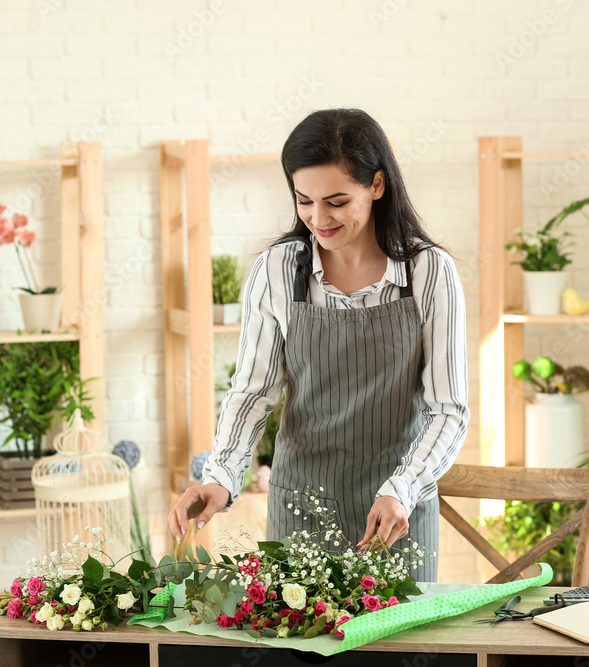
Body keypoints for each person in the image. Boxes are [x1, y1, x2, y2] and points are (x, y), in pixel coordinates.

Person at [168, 108, 469, 581]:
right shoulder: (278, 270)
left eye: (336, 201)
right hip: (301, 506)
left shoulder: (428, 272)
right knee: (298, 650)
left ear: (377, 185)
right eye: (303, 200)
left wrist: (403, 489)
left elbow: (448, 409)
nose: (317, 219)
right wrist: (220, 477)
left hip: (395, 513)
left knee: (397, 650)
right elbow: (252, 392)